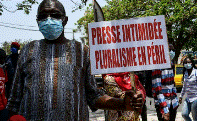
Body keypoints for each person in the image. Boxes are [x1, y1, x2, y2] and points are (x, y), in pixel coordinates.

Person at [6, 0, 144, 120]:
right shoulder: (28, 50)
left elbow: (94, 96)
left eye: (54, 15)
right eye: (43, 16)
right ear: (37, 21)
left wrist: (122, 103)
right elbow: (14, 99)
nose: (48, 20)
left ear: (65, 20)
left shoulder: (82, 51)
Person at [152, 44, 179, 121]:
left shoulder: (171, 64)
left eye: (173, 50)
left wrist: (176, 101)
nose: (172, 52)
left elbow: (172, 84)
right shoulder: (157, 66)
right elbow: (157, 89)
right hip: (163, 104)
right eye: (169, 50)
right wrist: (164, 109)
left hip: (172, 103)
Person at [179, 57, 197, 121]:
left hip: (196, 98)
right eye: (185, 63)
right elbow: (184, 86)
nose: (187, 64)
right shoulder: (185, 74)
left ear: (192, 63)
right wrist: (181, 96)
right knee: (184, 114)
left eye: (189, 62)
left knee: (195, 118)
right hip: (188, 98)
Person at [0, 49, 9, 121]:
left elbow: (4, 86)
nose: (4, 61)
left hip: (3, 106)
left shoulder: (3, 70)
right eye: (2, 58)